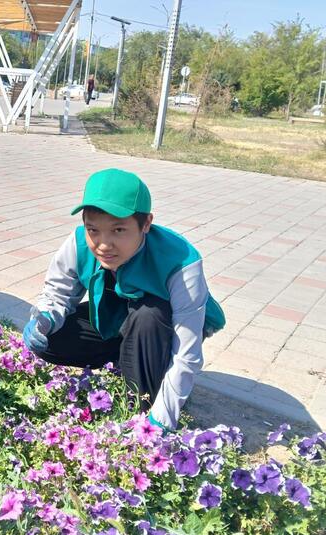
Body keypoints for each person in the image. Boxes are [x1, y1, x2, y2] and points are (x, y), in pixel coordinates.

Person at [22, 169, 225, 431]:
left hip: (161, 326)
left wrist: (161, 418)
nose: (103, 244)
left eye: (119, 230)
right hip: (118, 318)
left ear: (146, 224)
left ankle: (141, 403)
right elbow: (57, 292)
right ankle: (129, 356)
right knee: (50, 339)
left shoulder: (181, 261)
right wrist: (46, 319)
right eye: (93, 229)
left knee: (149, 315)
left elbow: (187, 353)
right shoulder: (78, 243)